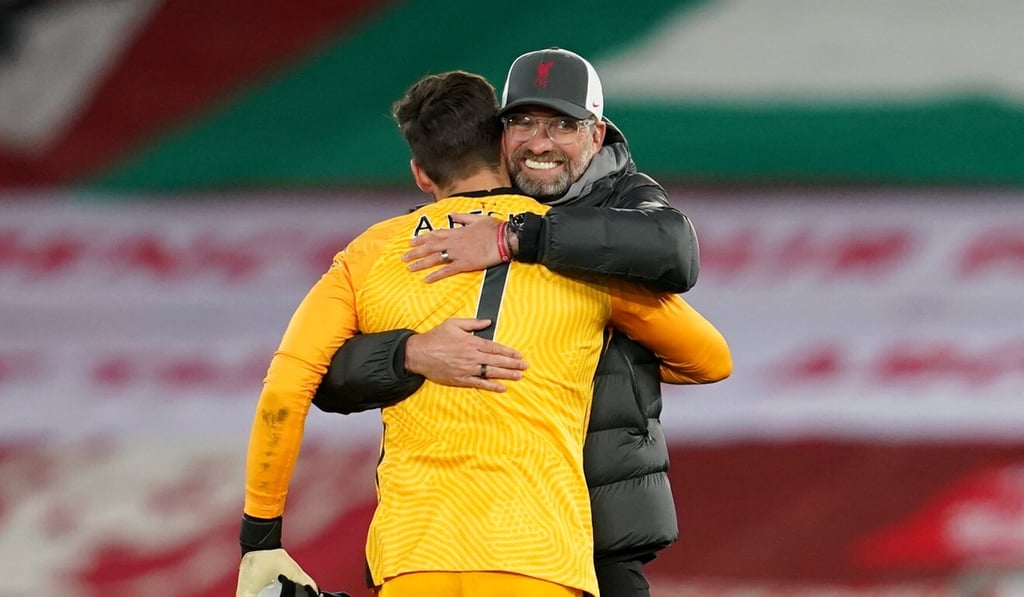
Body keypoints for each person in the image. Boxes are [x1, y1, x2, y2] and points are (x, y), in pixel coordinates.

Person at [237, 70, 730, 597]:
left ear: (421, 174)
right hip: (539, 557)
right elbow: (710, 360)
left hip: (413, 556)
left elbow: (286, 390)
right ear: (505, 146)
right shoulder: (574, 251)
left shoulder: (369, 255)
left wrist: (260, 538)